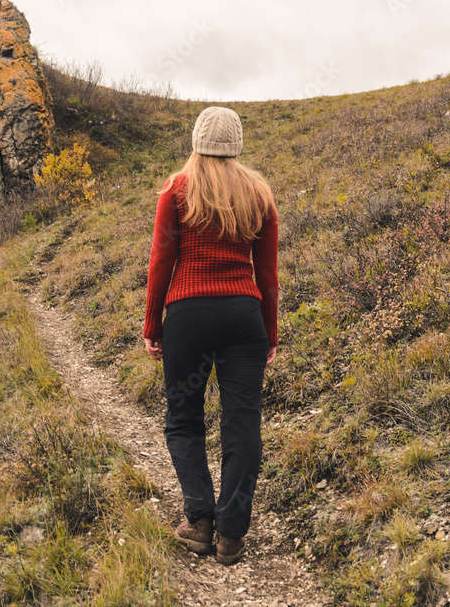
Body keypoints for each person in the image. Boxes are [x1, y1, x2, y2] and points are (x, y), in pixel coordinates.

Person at [142, 106, 279, 566]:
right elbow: (268, 275)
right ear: (236, 144)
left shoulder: (176, 190)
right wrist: (270, 331)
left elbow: (161, 263)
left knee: (184, 417)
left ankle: (199, 521)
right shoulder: (258, 194)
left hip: (188, 314)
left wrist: (152, 326)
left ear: (196, 141)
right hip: (244, 316)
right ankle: (232, 534)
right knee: (242, 422)